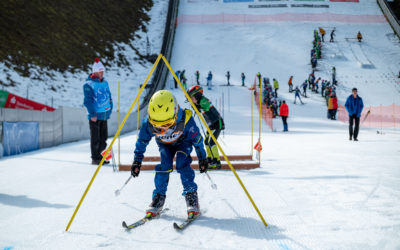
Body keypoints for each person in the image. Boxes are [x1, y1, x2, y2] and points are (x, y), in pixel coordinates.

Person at [131, 90, 208, 218]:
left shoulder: (186, 120)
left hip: (184, 142)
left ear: (175, 112)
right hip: (164, 144)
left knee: (182, 163)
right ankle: (158, 198)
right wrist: (137, 161)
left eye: (167, 124)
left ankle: (191, 196)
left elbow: (197, 140)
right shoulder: (148, 124)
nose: (164, 129)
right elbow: (142, 141)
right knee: (164, 166)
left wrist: (202, 158)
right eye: (158, 126)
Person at [83, 58, 113, 165]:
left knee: (103, 138)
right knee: (95, 138)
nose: (102, 73)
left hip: (104, 114)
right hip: (95, 116)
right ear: (94, 72)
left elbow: (109, 97)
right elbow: (87, 101)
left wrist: (110, 109)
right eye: (100, 71)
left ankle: (102, 157)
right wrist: (92, 114)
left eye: (103, 71)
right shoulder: (88, 84)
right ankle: (95, 158)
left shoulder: (105, 82)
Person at [187, 85, 225, 170]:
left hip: (216, 123)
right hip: (211, 125)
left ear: (197, 96)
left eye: (192, 98)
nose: (192, 100)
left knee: (211, 142)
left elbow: (206, 106)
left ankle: (216, 161)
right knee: (206, 141)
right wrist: (196, 106)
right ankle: (210, 158)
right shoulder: (199, 102)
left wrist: (198, 106)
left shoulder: (203, 100)